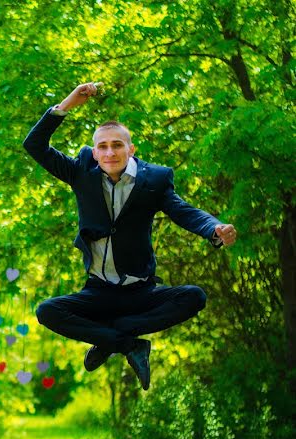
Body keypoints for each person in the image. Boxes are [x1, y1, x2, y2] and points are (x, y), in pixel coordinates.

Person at [23, 82, 238, 391]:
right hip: (98, 292)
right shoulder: (80, 172)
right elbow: (35, 145)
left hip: (141, 293)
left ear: (130, 149)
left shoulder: (154, 180)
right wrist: (66, 105)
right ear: (95, 153)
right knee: (48, 311)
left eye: (117, 145)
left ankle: (114, 336)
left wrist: (213, 229)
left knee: (194, 297)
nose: (110, 152)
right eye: (104, 147)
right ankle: (128, 343)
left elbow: (182, 211)